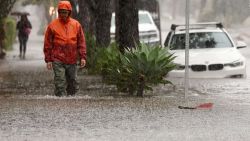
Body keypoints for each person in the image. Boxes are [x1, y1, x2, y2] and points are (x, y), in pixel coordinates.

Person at [43, 0, 87, 97]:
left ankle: (71, 102)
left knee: (73, 83)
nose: (63, 14)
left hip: (72, 58)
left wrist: (83, 57)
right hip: (57, 58)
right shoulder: (52, 26)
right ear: (59, 12)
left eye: (65, 12)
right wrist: (48, 60)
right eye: (61, 12)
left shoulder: (76, 25)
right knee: (60, 82)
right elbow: (48, 44)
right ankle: (60, 101)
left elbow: (81, 42)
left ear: (69, 12)